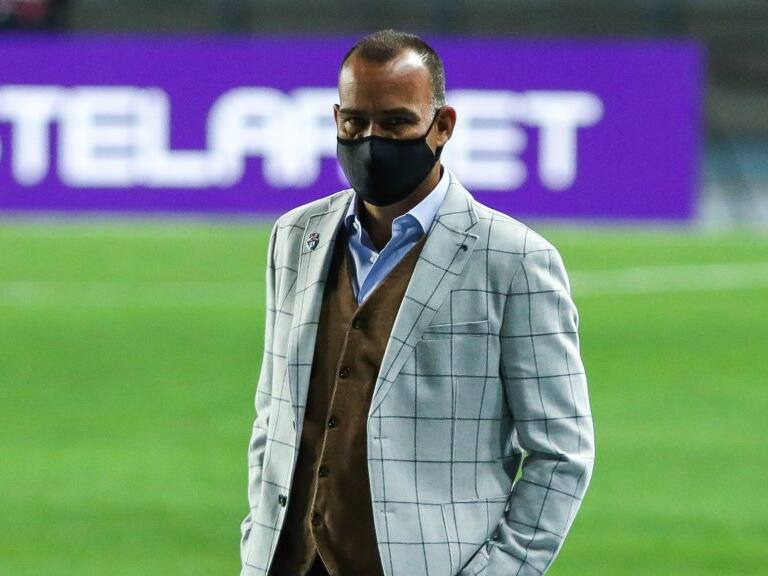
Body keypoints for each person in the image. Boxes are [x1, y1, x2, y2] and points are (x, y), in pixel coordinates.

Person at [239, 29, 595, 576]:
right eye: (354, 122)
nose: (371, 139)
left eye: (397, 122)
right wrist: (256, 541)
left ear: (442, 126)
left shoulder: (516, 259)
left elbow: (561, 456)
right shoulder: (295, 236)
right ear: (336, 118)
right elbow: (274, 417)